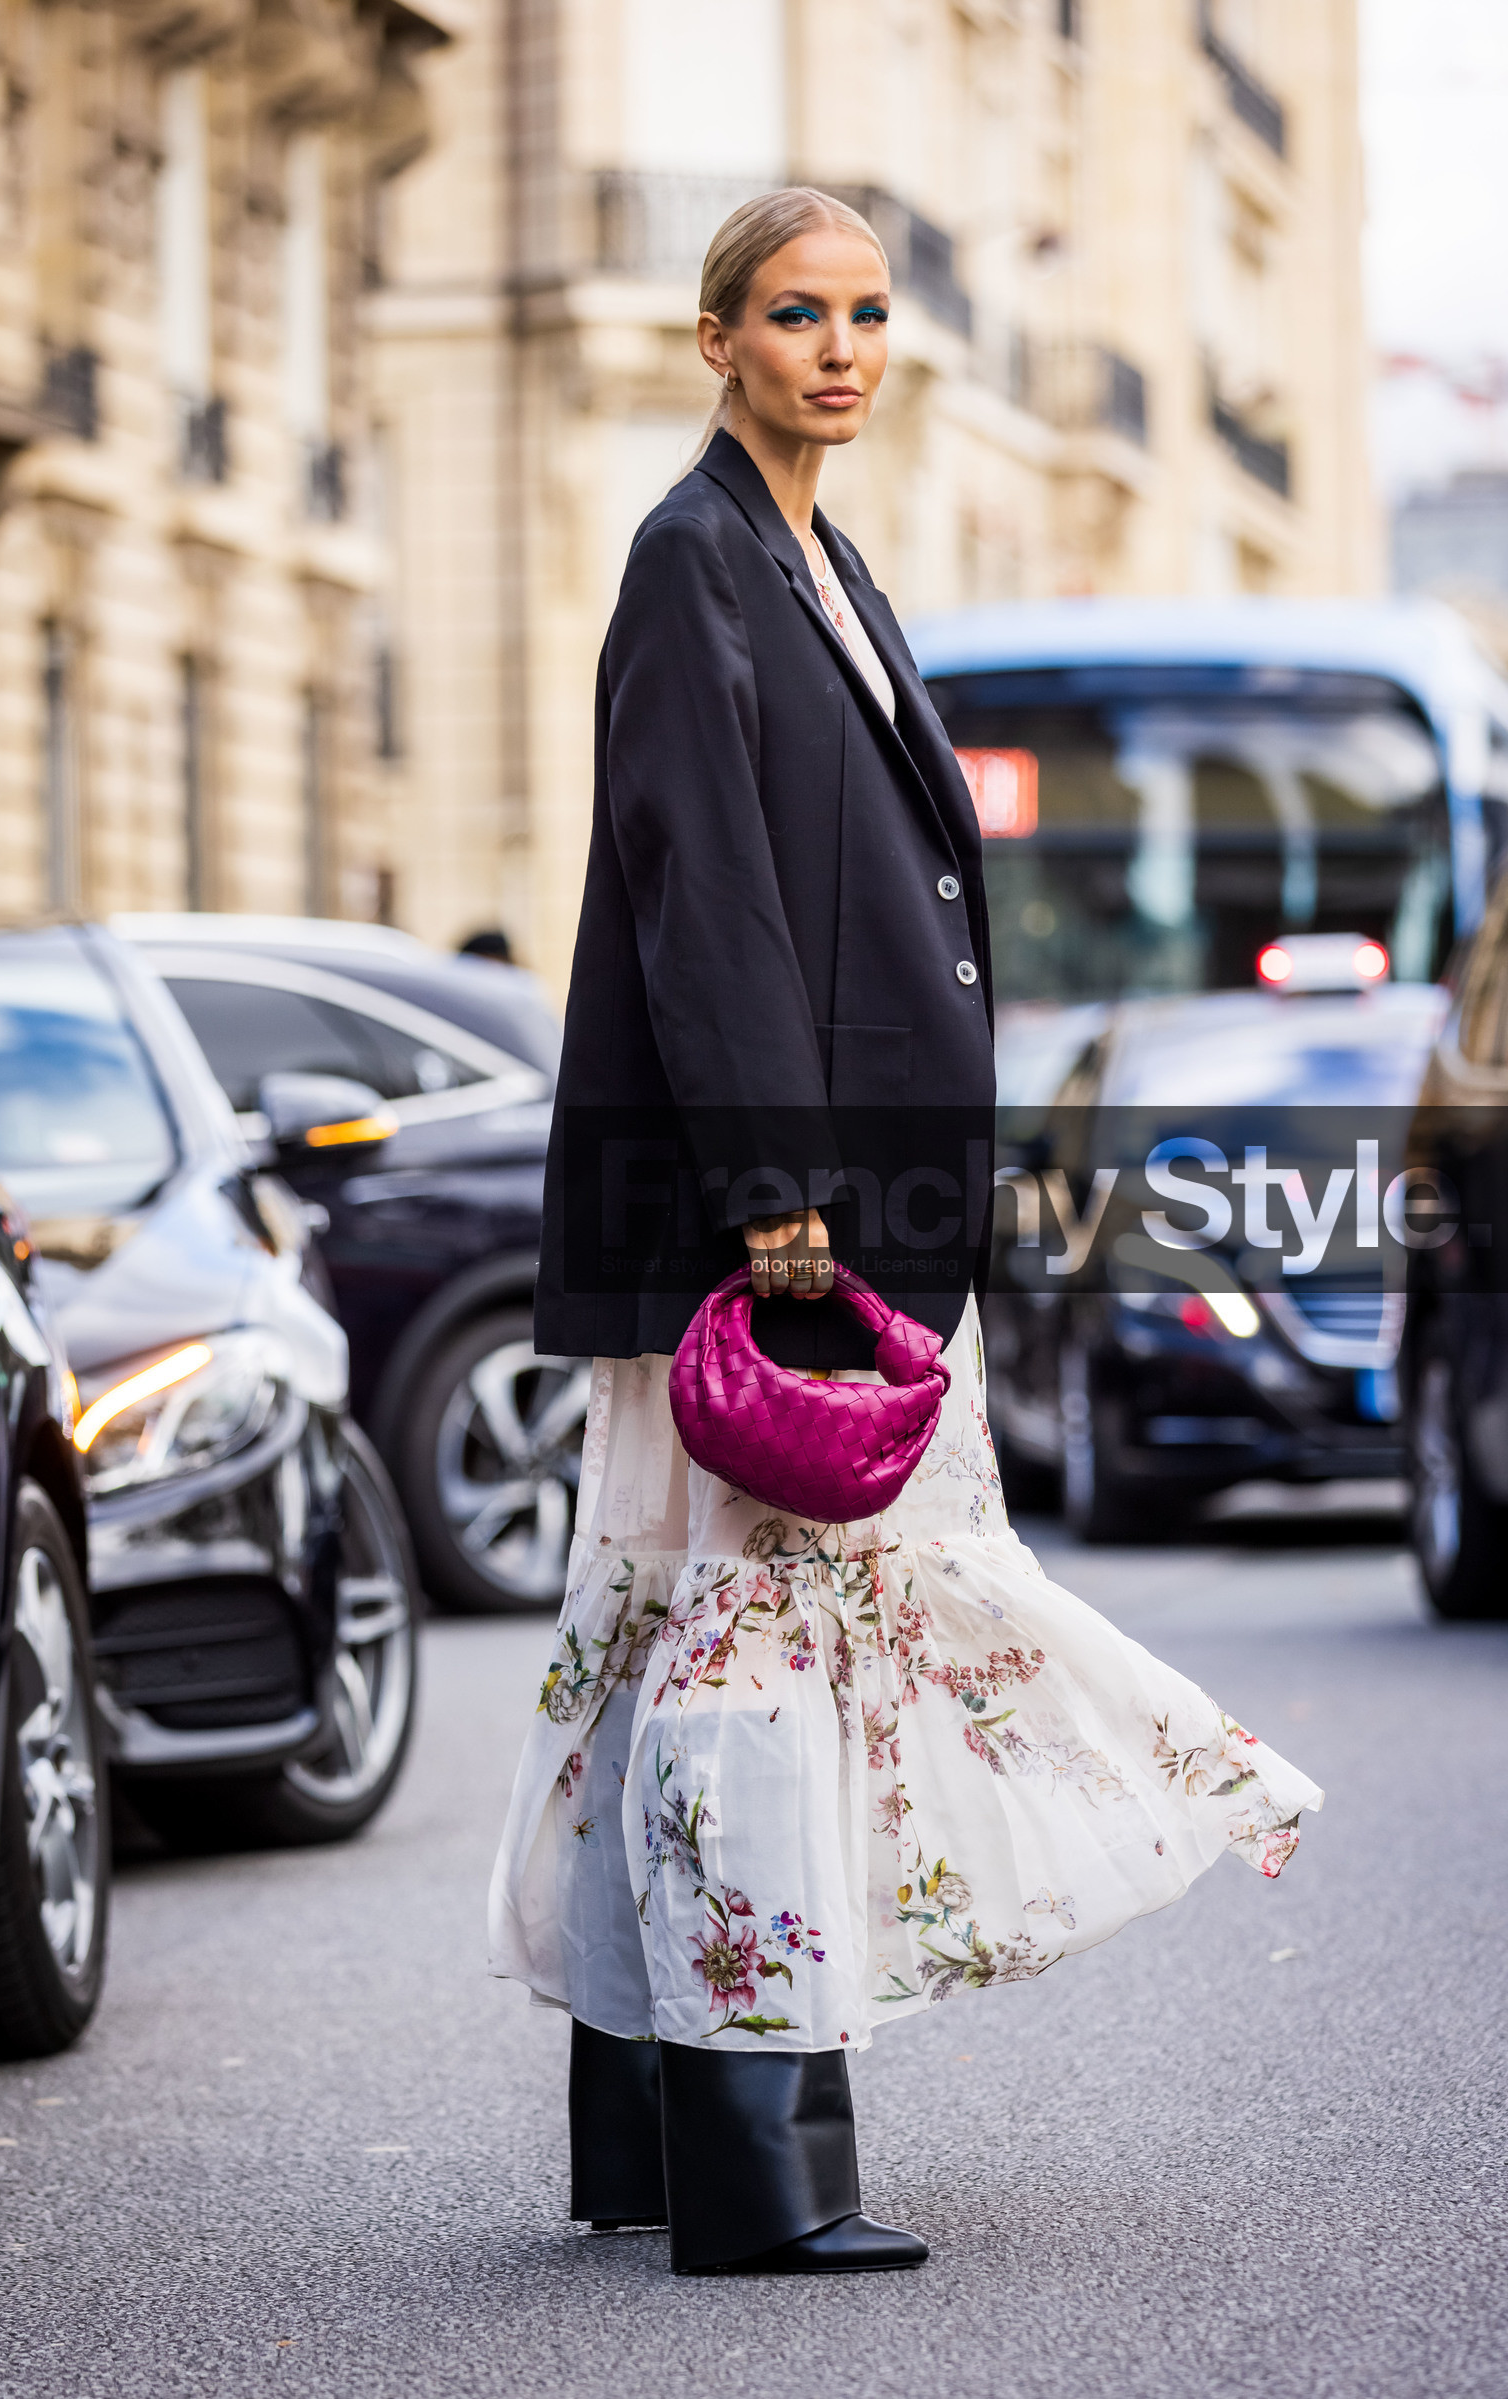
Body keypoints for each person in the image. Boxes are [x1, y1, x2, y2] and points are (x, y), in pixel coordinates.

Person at [487, 188, 1322, 2278]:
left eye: (864, 313)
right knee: (762, 1661)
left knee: (688, 1653)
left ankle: (657, 2140)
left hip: (823, 1203)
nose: (841, 348)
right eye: (795, 315)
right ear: (715, 341)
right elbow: (703, 898)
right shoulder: (693, 559)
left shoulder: (815, 558)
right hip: (768, 1216)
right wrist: (777, 1198)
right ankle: (764, 2177)